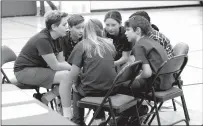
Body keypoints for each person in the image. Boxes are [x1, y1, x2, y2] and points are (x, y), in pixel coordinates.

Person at [14, 10, 72, 118]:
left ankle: (46, 98)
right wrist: (74, 68)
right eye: (64, 25)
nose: (67, 27)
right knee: (67, 76)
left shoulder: (58, 37)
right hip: (24, 71)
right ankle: (68, 116)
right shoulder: (42, 40)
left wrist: (73, 69)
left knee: (70, 75)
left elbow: (61, 62)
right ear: (54, 27)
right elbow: (55, 66)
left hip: (38, 69)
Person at [66, 19, 117, 125]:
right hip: (111, 89)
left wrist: (75, 84)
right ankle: (100, 117)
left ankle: (78, 120)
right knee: (98, 80)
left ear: (86, 31)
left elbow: (74, 73)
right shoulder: (109, 44)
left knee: (76, 88)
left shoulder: (82, 45)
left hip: (92, 89)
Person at [124, 15, 175, 93]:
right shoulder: (151, 40)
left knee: (122, 85)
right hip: (168, 82)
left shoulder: (139, 46)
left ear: (137, 30)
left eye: (128, 30)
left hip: (156, 85)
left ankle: (138, 105)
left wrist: (137, 78)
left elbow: (147, 73)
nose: (125, 33)